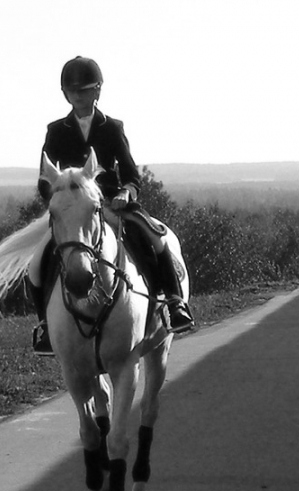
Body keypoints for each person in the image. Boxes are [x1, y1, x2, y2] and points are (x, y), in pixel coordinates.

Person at [29, 56, 194, 355]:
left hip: (113, 204)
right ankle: (45, 327)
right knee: (36, 264)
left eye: (85, 90)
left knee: (154, 239)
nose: (78, 96)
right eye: (73, 91)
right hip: (73, 211)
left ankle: (173, 302)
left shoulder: (112, 128)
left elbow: (132, 176)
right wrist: (59, 197)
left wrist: (126, 194)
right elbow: (44, 179)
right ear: (65, 94)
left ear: (97, 91)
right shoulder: (55, 131)